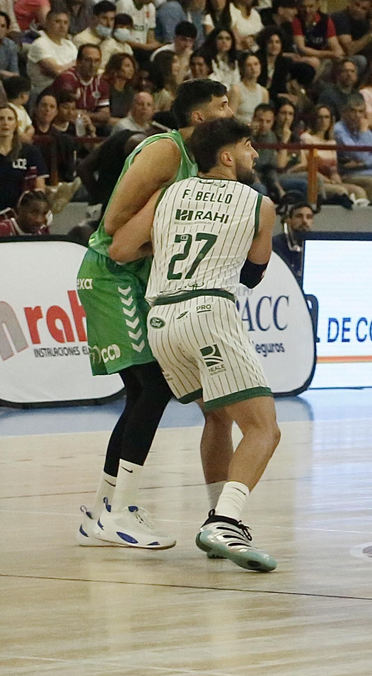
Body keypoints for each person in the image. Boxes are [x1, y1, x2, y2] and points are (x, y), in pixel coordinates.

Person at [107, 116, 279, 572]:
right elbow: (251, 275)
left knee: (218, 416)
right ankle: (226, 521)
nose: (254, 155)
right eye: (248, 146)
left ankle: (214, 515)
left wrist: (165, 250)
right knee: (264, 428)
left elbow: (120, 248)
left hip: (161, 318)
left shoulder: (167, 193)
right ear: (226, 156)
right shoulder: (259, 203)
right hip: (209, 313)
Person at [72, 81, 236, 553]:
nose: (231, 110)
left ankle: (104, 508)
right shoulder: (166, 151)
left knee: (143, 392)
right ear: (201, 118)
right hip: (111, 273)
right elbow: (114, 230)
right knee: (155, 387)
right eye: (222, 105)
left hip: (134, 276)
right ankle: (119, 511)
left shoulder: (197, 163)